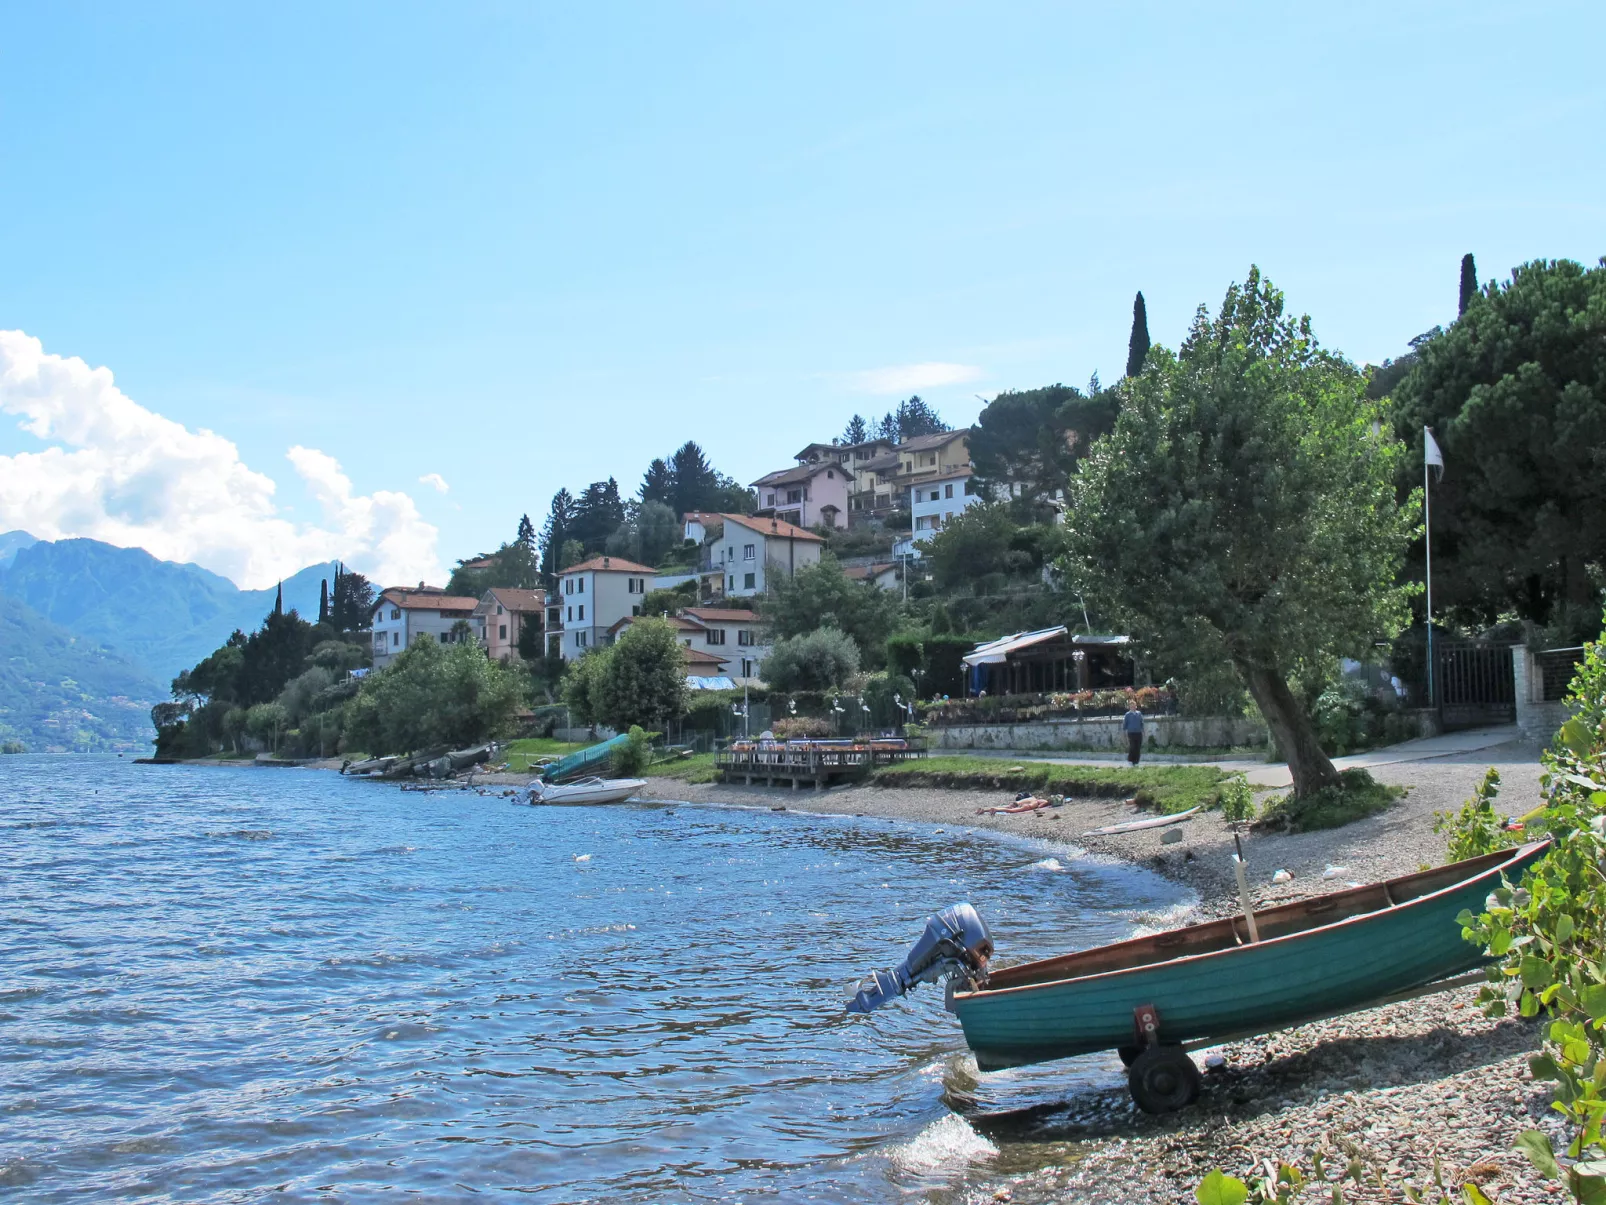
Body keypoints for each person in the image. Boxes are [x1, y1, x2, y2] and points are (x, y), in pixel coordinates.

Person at [1123, 699, 1145, 765]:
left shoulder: (1139, 713)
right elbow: (1125, 724)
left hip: (1138, 732)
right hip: (1131, 733)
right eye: (1131, 706)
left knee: (1138, 746)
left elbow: (1142, 722)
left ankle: (1136, 761)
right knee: (1132, 746)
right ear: (1129, 707)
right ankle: (1130, 759)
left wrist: (1143, 731)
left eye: (1134, 706)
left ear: (1136, 706)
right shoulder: (1127, 714)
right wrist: (1124, 733)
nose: (1133, 707)